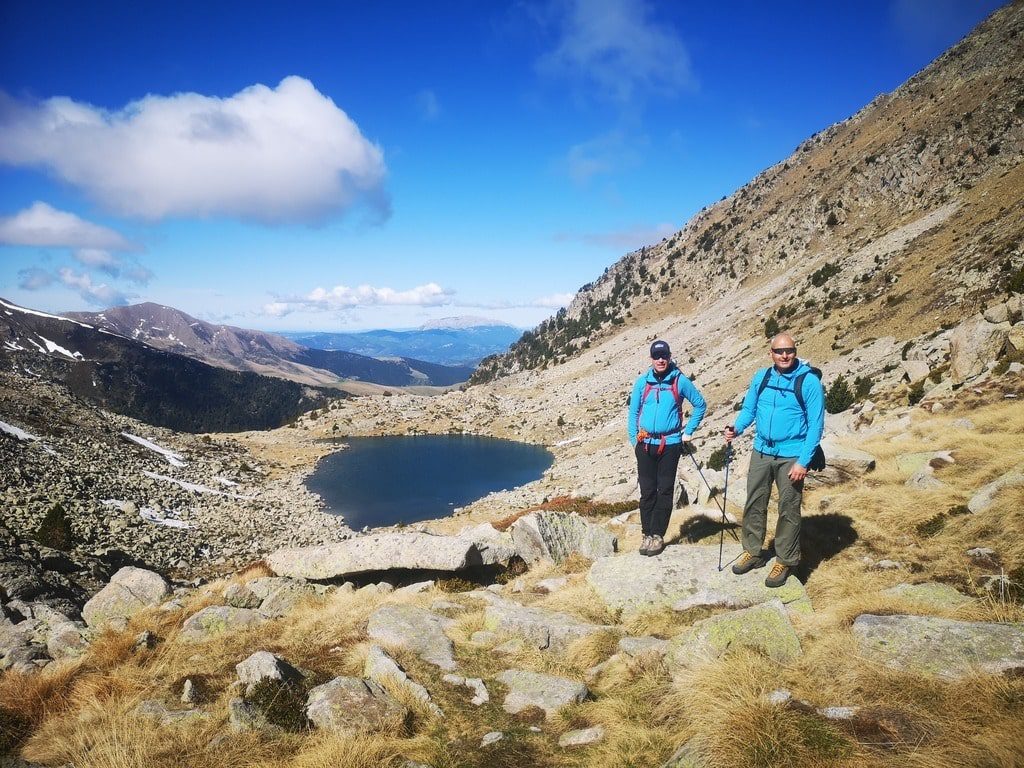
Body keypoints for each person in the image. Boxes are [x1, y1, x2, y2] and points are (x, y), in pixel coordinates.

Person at [724, 333, 824, 587]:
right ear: (771, 353)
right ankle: (754, 551)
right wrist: (737, 428)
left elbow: (815, 426)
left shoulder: (809, 382)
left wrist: (803, 461)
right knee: (754, 502)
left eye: (789, 350)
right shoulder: (762, 377)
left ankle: (786, 559)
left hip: (791, 454)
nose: (784, 355)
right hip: (761, 450)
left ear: (795, 351)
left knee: (788, 508)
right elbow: (749, 409)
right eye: (779, 351)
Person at [628, 340, 706, 556]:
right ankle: (646, 534)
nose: (660, 360)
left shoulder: (679, 380)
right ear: (651, 359)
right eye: (656, 356)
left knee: (665, 491)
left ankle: (657, 535)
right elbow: (633, 414)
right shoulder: (642, 383)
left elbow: (700, 404)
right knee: (647, 492)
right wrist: (635, 441)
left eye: (664, 356)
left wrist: (687, 432)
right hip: (645, 444)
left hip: (670, 444)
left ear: (670, 357)